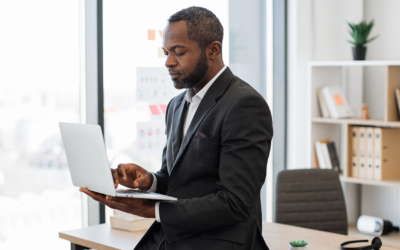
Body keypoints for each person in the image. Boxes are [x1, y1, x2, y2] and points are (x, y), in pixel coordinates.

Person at [80, 6, 273, 250]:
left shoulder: (244, 104)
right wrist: (147, 181)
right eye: (166, 52)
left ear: (213, 50)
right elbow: (174, 182)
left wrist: (153, 209)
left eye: (179, 52)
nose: (168, 62)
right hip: (173, 236)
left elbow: (235, 203)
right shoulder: (176, 105)